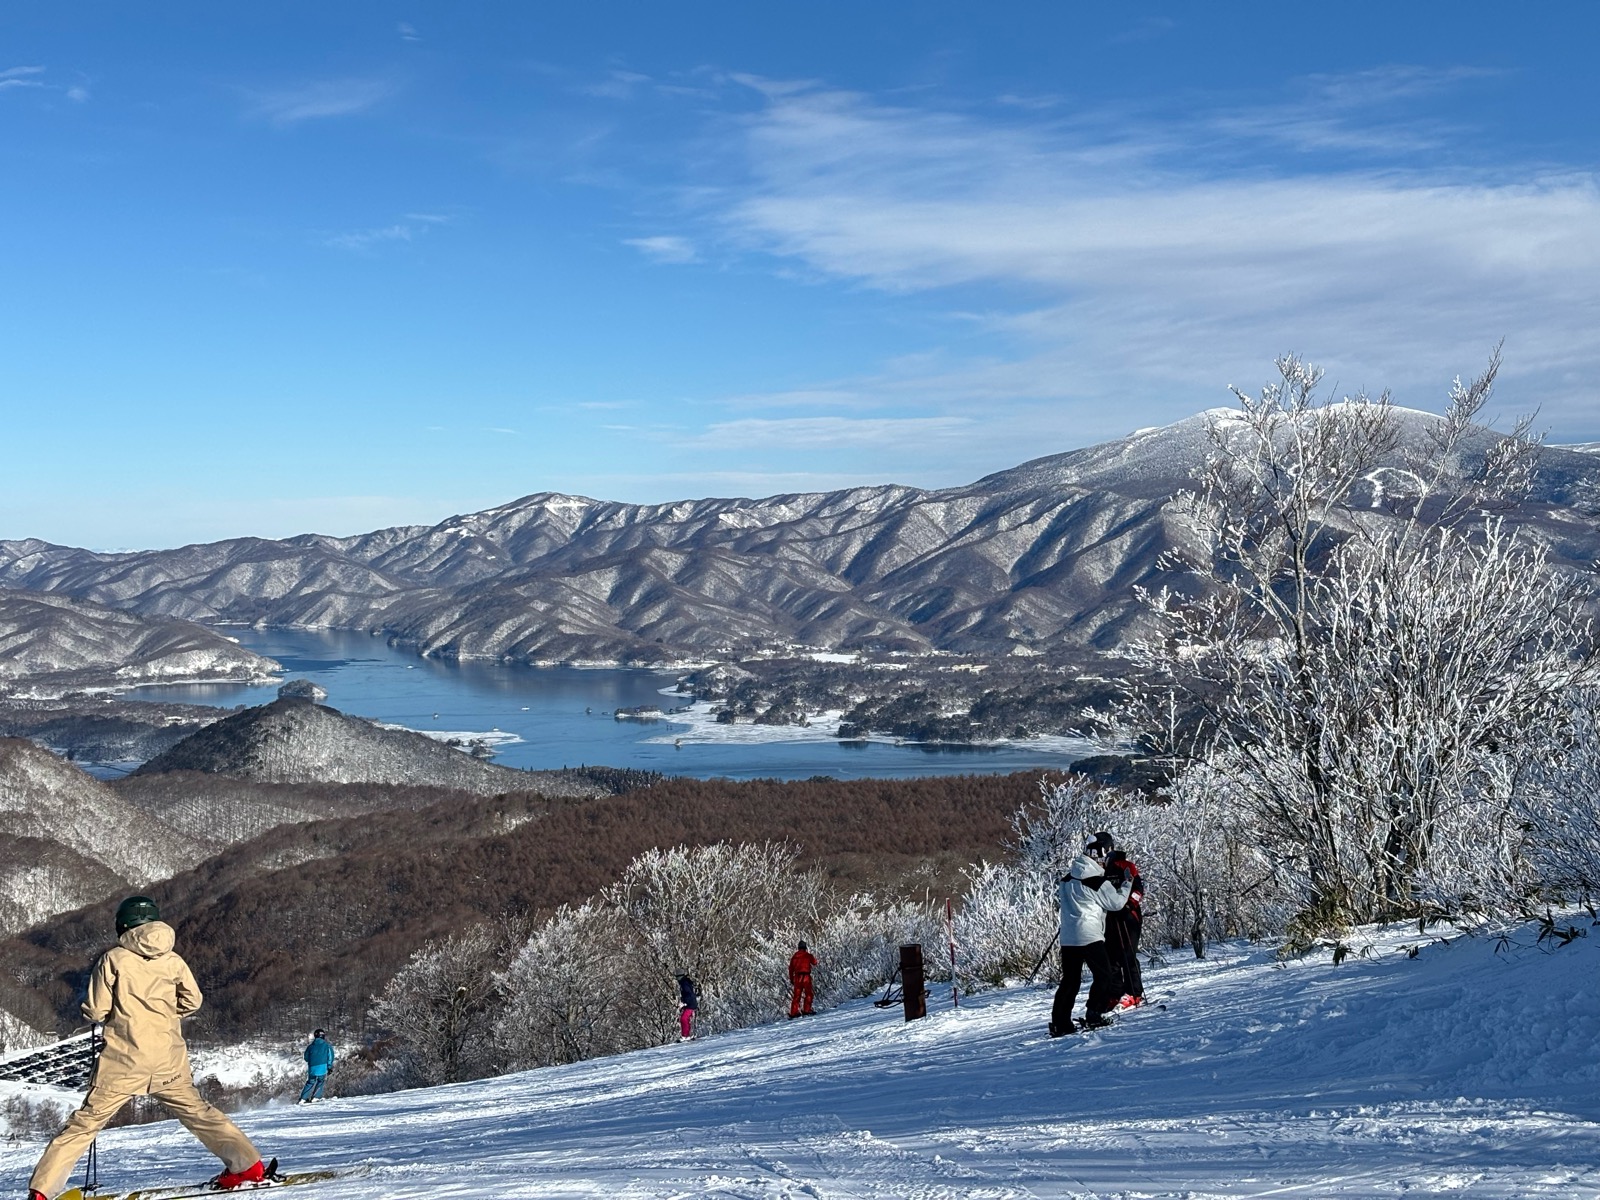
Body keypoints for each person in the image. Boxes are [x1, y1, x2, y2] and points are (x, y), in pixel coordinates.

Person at [27, 897, 268, 1200]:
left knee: (84, 1125)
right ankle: (247, 1167)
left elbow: (96, 1010)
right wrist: (165, 1015)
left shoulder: (114, 959)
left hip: (124, 1060)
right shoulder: (173, 960)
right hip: (168, 1057)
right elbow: (193, 1000)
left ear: (123, 926)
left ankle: (43, 1192)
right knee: (199, 1113)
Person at [1049, 854, 1133, 1037]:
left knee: (1070, 981)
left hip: (1068, 937)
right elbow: (1116, 903)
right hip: (1089, 935)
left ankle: (1059, 1022)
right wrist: (1127, 883)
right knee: (1104, 976)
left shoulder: (1066, 879)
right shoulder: (1097, 882)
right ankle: (1094, 1013)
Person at [1104, 844, 1146, 1007]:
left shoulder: (1126, 866)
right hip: (1108, 917)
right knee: (1110, 956)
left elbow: (1138, 889)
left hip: (1128, 917)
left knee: (1127, 953)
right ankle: (1115, 993)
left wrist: (1128, 906)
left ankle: (1134, 992)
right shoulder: (1100, 868)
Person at [299, 1029, 335, 1103]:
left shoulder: (310, 1046)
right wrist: (329, 1067)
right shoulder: (327, 1045)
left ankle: (303, 1098)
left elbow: (306, 1057)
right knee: (320, 1081)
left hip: (312, 1068)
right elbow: (330, 1057)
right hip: (322, 1067)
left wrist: (313, 1061)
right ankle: (315, 1097)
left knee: (310, 1082)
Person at [787, 941, 817, 1018]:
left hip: (797, 978)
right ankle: (807, 1010)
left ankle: (793, 1012)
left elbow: (790, 969)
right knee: (808, 994)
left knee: (796, 996)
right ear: (805, 948)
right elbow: (815, 962)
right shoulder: (808, 955)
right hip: (806, 977)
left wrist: (791, 979)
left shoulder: (794, 957)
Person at [676, 975, 699, 1042]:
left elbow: (689, 994)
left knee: (684, 1018)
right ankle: (686, 1035)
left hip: (690, 1004)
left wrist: (684, 1003)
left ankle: (686, 1035)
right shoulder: (685, 982)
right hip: (690, 1003)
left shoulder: (684, 984)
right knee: (685, 1018)